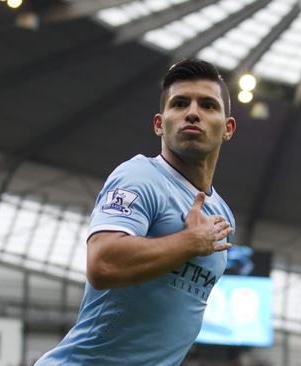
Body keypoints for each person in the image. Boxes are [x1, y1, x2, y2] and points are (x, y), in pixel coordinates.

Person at [35, 59, 237, 365]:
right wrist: (190, 242)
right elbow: (102, 263)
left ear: (228, 128)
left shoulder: (222, 215)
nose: (192, 113)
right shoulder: (140, 176)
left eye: (208, 105)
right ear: (159, 123)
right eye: (180, 103)